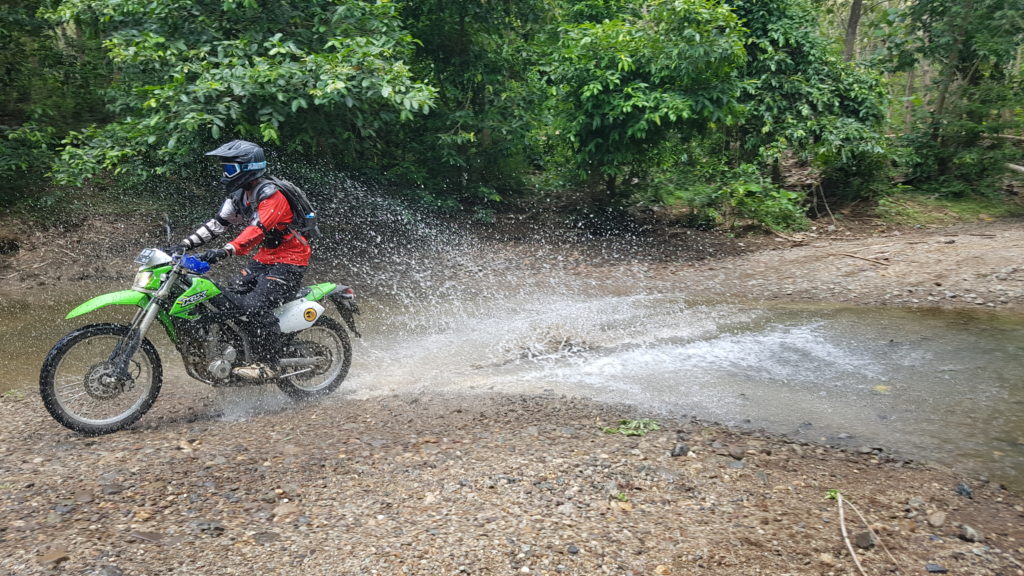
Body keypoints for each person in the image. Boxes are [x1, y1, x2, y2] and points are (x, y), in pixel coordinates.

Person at [175, 140, 312, 379]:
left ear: (248, 168)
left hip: (290, 260)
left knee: (256, 306)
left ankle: (267, 364)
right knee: (231, 303)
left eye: (230, 169)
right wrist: (184, 245)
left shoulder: (272, 196)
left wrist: (222, 252)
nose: (225, 175)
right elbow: (218, 224)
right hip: (264, 258)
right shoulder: (239, 195)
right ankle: (238, 353)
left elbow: (255, 231)